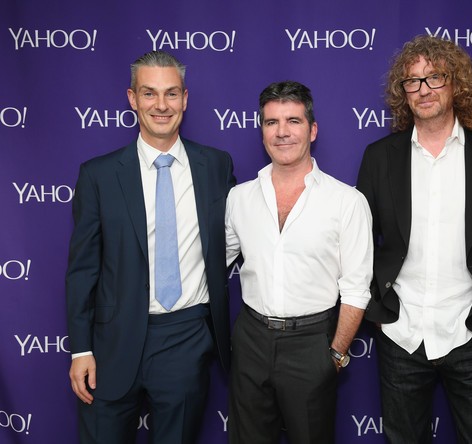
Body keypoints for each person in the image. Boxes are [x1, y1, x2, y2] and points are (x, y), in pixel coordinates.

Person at [356, 35, 472, 443]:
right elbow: (359, 244)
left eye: (434, 77)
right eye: (412, 81)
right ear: (402, 92)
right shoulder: (379, 157)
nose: (423, 90)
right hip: (401, 336)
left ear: (456, 84)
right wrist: (378, 312)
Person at [65, 50, 235, 443]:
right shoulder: (99, 175)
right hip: (110, 344)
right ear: (132, 98)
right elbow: (82, 270)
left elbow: (236, 235)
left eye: (171, 94)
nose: (161, 105)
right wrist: (80, 350)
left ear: (185, 99)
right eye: (149, 93)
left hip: (185, 337)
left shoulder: (216, 166)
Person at [225, 80, 373, 443]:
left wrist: (335, 354)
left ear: (313, 129)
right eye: (271, 122)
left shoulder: (347, 202)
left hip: (312, 343)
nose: (282, 132)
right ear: (262, 131)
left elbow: (356, 289)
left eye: (293, 121)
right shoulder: (239, 198)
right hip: (250, 340)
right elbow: (209, 263)